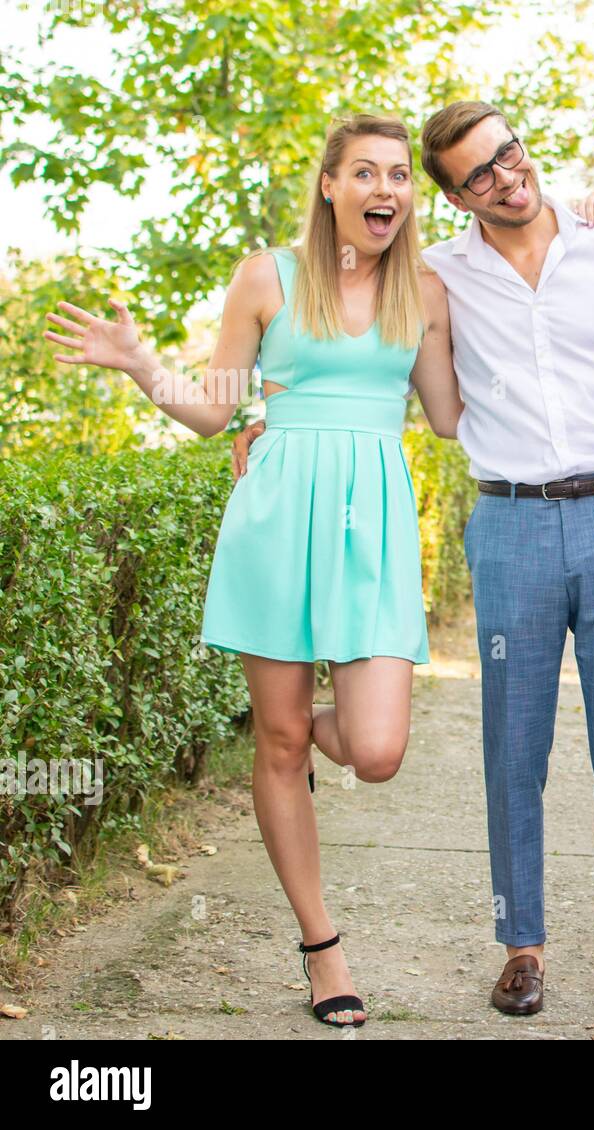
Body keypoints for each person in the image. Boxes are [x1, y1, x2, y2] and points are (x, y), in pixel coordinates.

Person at [47, 114, 460, 1028]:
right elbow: (211, 412)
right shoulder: (266, 276)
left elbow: (449, 417)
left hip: (372, 525)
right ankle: (323, 951)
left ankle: (325, 720)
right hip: (277, 517)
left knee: (378, 750)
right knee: (276, 747)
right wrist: (139, 364)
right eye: (364, 172)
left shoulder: (426, 293)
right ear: (329, 184)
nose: (384, 189)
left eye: (398, 175)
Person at [415, 101, 594, 1023]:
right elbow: (419, 398)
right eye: (478, 174)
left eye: (509, 154)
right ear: (455, 197)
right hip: (512, 521)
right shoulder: (437, 277)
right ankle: (521, 949)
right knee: (513, 748)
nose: (504, 177)